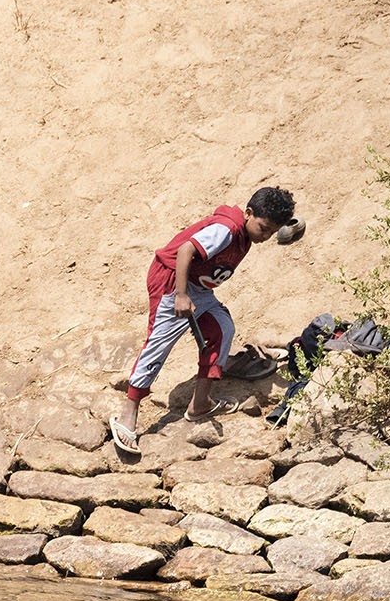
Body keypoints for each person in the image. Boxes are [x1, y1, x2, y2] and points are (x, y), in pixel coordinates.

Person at [110, 186, 304, 456]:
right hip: (173, 282)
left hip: (198, 288)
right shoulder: (226, 230)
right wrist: (180, 295)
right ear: (248, 214)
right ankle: (128, 412)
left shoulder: (248, 232)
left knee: (223, 329)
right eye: (264, 228)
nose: (267, 235)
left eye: (272, 231)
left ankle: (199, 403)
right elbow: (186, 250)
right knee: (159, 344)